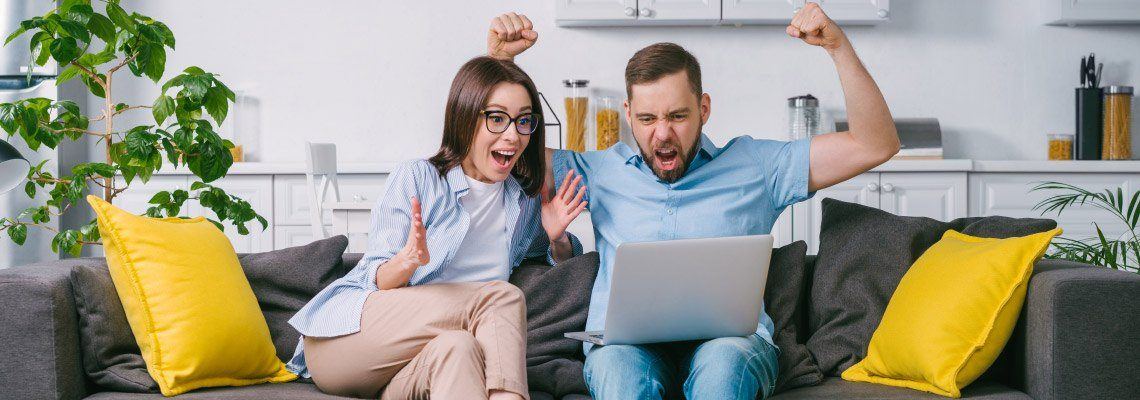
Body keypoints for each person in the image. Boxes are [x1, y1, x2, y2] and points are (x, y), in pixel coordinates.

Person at [490, 4, 900, 399]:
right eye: (648, 119)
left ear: (704, 109)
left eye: (678, 116)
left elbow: (874, 144)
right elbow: (496, 150)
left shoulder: (756, 166)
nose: (662, 134)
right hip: (625, 348)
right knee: (620, 375)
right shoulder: (598, 171)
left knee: (723, 370)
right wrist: (498, 62)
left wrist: (838, 46)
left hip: (729, 344)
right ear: (628, 115)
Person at [286, 26, 587, 399]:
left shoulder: (520, 201)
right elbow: (374, 277)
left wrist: (557, 240)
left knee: (460, 348)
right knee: (501, 296)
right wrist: (407, 262)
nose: (513, 135)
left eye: (523, 120)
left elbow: (550, 258)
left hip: (413, 365)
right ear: (465, 119)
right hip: (347, 343)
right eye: (497, 118)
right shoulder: (420, 177)